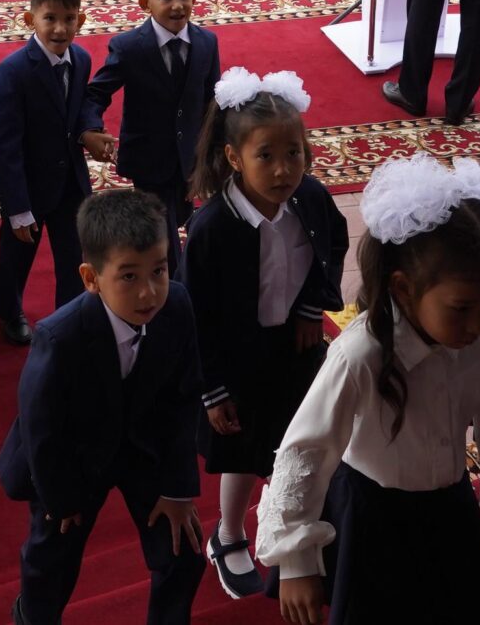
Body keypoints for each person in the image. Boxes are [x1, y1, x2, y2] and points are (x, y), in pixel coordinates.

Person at [255, 155, 480, 625]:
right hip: (373, 518)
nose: (478, 322)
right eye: (461, 308)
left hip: (448, 507)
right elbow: (305, 451)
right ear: (404, 288)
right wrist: (296, 561)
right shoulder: (361, 354)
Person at [0, 187, 206, 625]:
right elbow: (42, 429)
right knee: (51, 561)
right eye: (129, 276)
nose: (149, 292)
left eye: (160, 271)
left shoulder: (178, 306)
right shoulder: (59, 337)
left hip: (142, 445)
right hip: (74, 456)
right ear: (91, 278)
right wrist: (60, 497)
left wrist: (178, 488)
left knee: (182, 554)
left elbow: (183, 399)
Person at [184, 68, 347, 601]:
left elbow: (332, 251)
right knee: (243, 449)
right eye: (267, 156)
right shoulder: (213, 228)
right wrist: (214, 389)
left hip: (295, 350)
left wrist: (309, 308)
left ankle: (292, 530)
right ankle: (228, 531)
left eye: (294, 153)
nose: (284, 170)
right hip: (238, 358)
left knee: (301, 444)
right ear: (234, 158)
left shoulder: (312, 201)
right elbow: (199, 314)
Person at [81, 0, 221, 265]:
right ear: (146, 3)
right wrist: (89, 128)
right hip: (148, 158)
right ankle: (175, 289)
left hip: (190, 159)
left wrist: (215, 149)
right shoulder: (130, 48)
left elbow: (214, 100)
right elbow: (96, 93)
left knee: (182, 214)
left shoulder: (206, 43)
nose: (177, 5)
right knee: (166, 233)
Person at [0, 0, 97, 345]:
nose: (59, 29)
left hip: (69, 182)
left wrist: (90, 129)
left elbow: (81, 104)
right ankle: (8, 309)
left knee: (73, 254)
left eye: (69, 19)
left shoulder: (81, 60)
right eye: (49, 18)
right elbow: (6, 146)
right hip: (29, 186)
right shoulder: (12, 73)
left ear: (80, 20)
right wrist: (17, 207)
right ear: (30, 19)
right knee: (17, 256)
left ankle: (67, 317)